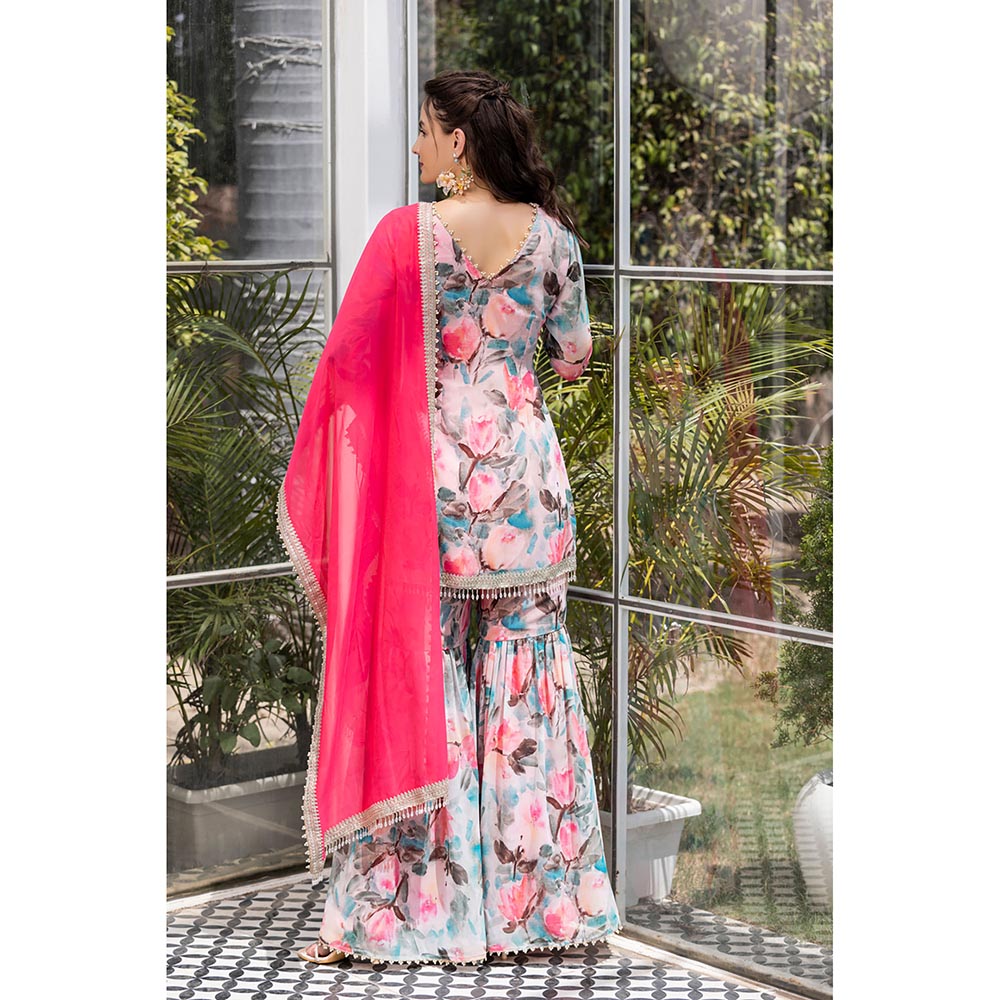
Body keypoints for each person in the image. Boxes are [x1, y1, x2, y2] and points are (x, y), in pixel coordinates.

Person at [278, 69, 620, 968]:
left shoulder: (410, 235)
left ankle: (416, 916)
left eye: (428, 131)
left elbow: (347, 363)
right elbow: (575, 354)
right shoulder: (553, 238)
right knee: (527, 690)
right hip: (529, 495)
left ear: (458, 142)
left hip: (431, 495)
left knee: (427, 692)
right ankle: (539, 910)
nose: (419, 146)